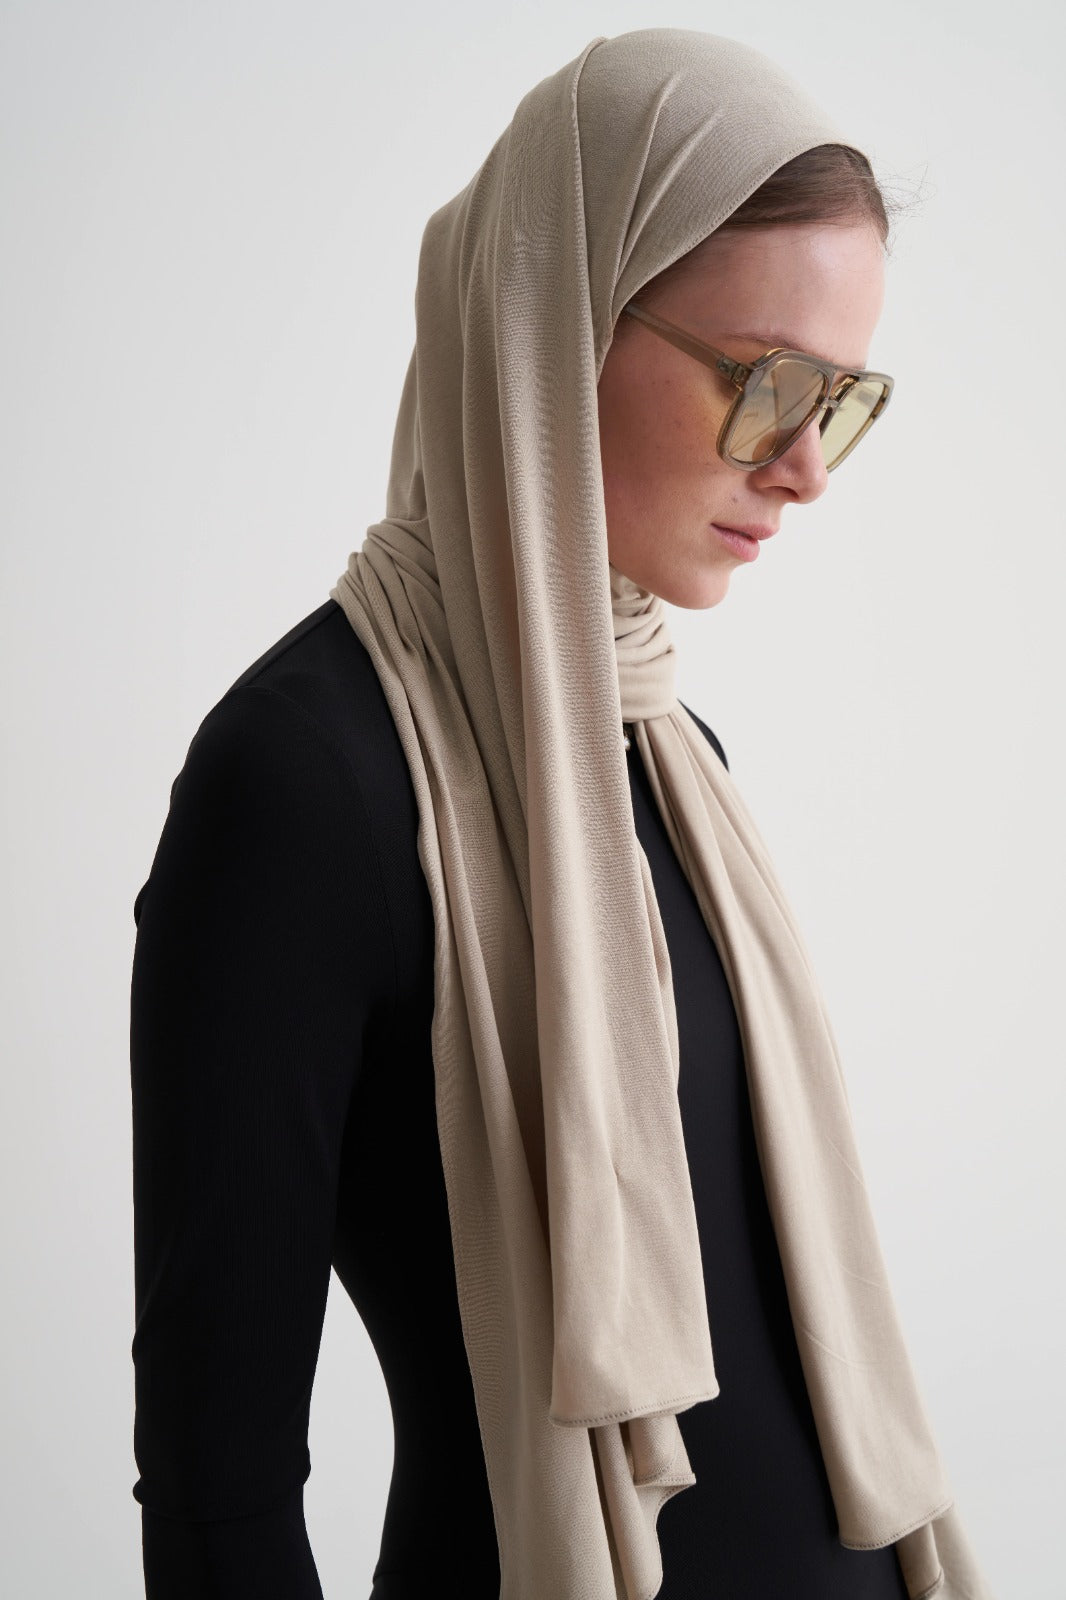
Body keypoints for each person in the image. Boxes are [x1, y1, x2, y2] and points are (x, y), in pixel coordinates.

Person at [129, 28, 994, 1600]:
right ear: (554, 323)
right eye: (763, 383)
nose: (806, 468)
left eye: (841, 398)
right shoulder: (308, 781)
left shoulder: (667, 749)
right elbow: (217, 1483)